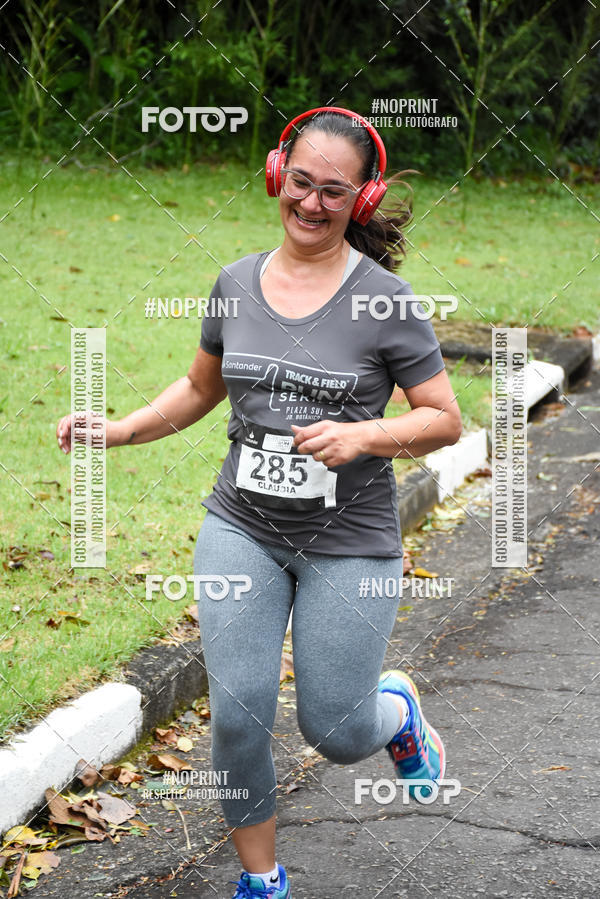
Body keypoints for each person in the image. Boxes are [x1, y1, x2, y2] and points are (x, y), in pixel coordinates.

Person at [57, 106, 462, 898]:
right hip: (241, 527)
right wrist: (120, 429)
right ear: (278, 175)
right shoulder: (237, 282)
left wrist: (365, 435)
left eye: (333, 192)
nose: (311, 203)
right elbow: (199, 387)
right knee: (239, 715)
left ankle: (395, 713)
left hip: (350, 540)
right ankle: (262, 879)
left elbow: (443, 418)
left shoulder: (385, 300)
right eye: (300, 182)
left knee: (335, 729)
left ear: (362, 200)